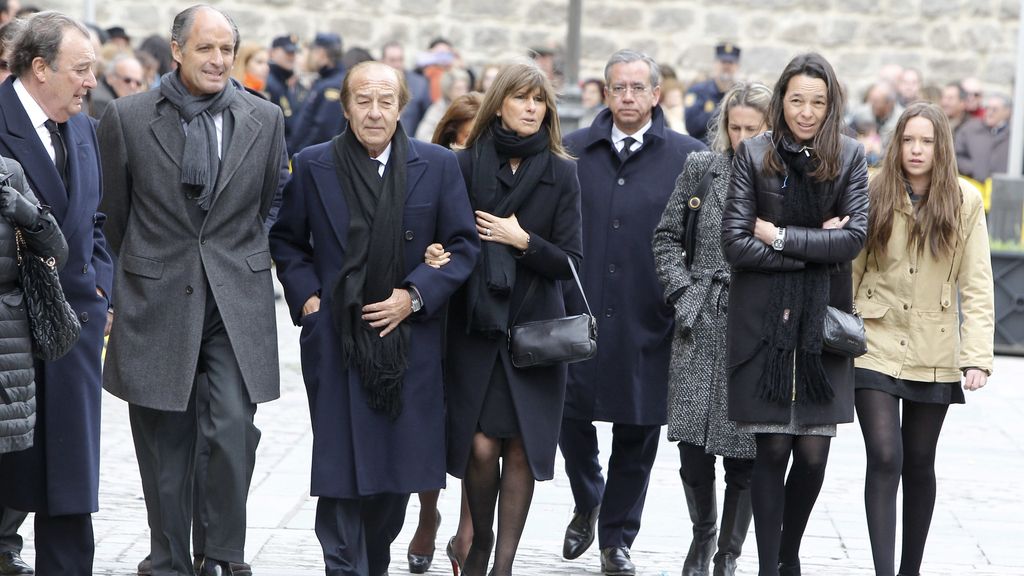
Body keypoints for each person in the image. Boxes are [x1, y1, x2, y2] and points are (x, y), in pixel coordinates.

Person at [96, 5, 286, 575]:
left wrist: (240, 255)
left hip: (235, 298)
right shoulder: (127, 118)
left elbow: (268, 201)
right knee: (164, 441)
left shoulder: (264, 117)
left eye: (227, 49)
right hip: (156, 297)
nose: (219, 59)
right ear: (177, 50)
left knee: (231, 424)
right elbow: (113, 214)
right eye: (206, 48)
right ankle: (169, 560)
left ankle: (223, 554)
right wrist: (135, 277)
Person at [270, 59, 478, 576]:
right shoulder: (314, 163)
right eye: (362, 100)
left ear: (402, 106)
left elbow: (462, 245)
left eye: (386, 101)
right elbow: (287, 239)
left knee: (395, 473)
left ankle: (375, 559)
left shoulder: (437, 164)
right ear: (345, 107)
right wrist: (310, 301)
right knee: (339, 470)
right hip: (338, 340)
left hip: (408, 345)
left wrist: (416, 294)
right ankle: (343, 566)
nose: (374, 111)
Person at [720, 52, 868, 576]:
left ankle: (789, 552)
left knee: (812, 456)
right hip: (764, 325)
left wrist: (779, 235)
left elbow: (851, 240)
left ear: (832, 105)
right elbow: (735, 244)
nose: (806, 111)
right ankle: (769, 565)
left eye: (818, 101)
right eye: (798, 99)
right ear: (782, 99)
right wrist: (813, 246)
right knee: (773, 448)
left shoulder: (850, 156)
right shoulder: (755, 153)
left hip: (821, 326)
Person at [560, 49, 705, 576]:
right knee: (566, 415)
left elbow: (697, 239)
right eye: (618, 87)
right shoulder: (571, 152)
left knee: (637, 430)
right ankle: (588, 495)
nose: (628, 97)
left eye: (638, 88)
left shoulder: (688, 157)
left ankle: (617, 537)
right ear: (604, 92)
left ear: (656, 94)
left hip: (650, 315)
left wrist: (682, 300)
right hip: (579, 311)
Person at [444, 61, 582, 576]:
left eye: (539, 100)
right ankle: (476, 544)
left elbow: (570, 262)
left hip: (534, 333)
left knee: (522, 450)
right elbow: (449, 237)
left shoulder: (561, 171)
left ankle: (501, 565)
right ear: (498, 102)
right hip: (475, 328)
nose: (530, 108)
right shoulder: (461, 166)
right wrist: (438, 254)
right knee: (480, 446)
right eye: (521, 98)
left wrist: (521, 241)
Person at [853, 102, 993, 576]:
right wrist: (839, 331)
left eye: (926, 141)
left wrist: (976, 356)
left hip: (934, 347)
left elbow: (977, 282)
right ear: (897, 143)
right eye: (908, 140)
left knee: (918, 462)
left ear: (941, 147)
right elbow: (852, 268)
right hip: (873, 340)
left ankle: (909, 569)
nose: (916, 150)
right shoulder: (873, 191)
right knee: (885, 455)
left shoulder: (965, 201)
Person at [0, 11, 115, 576]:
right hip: (11, 333)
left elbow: (95, 220)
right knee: (12, 472)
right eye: (82, 69)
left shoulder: (84, 128)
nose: (91, 81)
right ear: (39, 68)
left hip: (73, 330)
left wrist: (101, 284)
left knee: (71, 479)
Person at [653, 81, 772, 576]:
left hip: (756, 324)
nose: (742, 137)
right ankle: (702, 538)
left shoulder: (784, 179)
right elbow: (665, 237)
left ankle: (728, 554)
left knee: (745, 451)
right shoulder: (701, 167)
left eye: (753, 128)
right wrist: (683, 293)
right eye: (734, 126)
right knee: (692, 448)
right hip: (699, 319)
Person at [399, 90, 486, 575]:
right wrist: (428, 256)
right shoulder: (429, 171)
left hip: (484, 310)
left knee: (478, 427)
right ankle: (427, 515)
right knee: (432, 418)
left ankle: (468, 529)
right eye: (463, 142)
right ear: (449, 138)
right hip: (435, 308)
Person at [287, 32, 346, 154]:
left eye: (311, 52)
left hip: (310, 160)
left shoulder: (333, 85)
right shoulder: (325, 80)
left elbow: (324, 132)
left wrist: (300, 155)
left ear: (320, 53)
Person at [685, 42, 740, 143]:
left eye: (731, 63)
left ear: (737, 66)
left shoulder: (741, 94)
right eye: (723, 62)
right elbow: (691, 126)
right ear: (715, 64)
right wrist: (719, 110)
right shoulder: (698, 91)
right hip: (703, 148)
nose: (727, 66)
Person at [954, 93, 1011, 182]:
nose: (989, 112)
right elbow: (956, 155)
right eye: (987, 108)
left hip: (1003, 190)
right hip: (974, 185)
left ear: (1007, 111)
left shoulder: (1015, 136)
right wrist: (973, 169)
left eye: (994, 109)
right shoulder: (969, 129)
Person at [381, 41, 431, 135]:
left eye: (400, 60)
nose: (397, 64)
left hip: (411, 142)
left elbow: (427, 116)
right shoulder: (375, 83)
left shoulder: (419, 84)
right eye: (392, 60)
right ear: (383, 61)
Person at [415, 67, 471, 141]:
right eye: (458, 89)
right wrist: (445, 143)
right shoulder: (438, 109)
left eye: (465, 88)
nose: (463, 92)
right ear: (448, 91)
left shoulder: (471, 106)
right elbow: (422, 136)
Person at [88, 53, 146, 119]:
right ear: (110, 78)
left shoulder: (119, 101)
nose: (133, 86)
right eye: (127, 80)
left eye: (138, 83)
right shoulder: (102, 102)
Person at [266, 34, 300, 140]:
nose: (292, 56)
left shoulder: (283, 81)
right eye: (288, 52)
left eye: (294, 52)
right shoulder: (269, 82)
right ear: (273, 53)